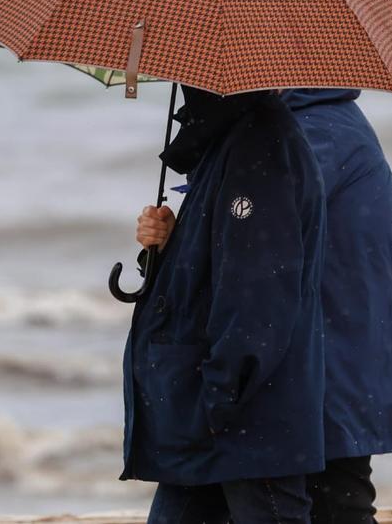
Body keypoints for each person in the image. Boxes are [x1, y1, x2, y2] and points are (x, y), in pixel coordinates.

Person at [138, 88, 392, 523]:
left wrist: (179, 237)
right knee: (332, 501)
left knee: (336, 503)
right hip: (326, 352)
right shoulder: (320, 122)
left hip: (317, 358)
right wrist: (173, 235)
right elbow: (241, 231)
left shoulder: (296, 133)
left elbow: (252, 237)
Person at [122, 86, 327, 524]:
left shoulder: (260, 141)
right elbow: (220, 264)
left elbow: (258, 291)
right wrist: (168, 243)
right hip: (217, 410)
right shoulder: (230, 135)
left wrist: (222, 394)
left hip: (247, 414)